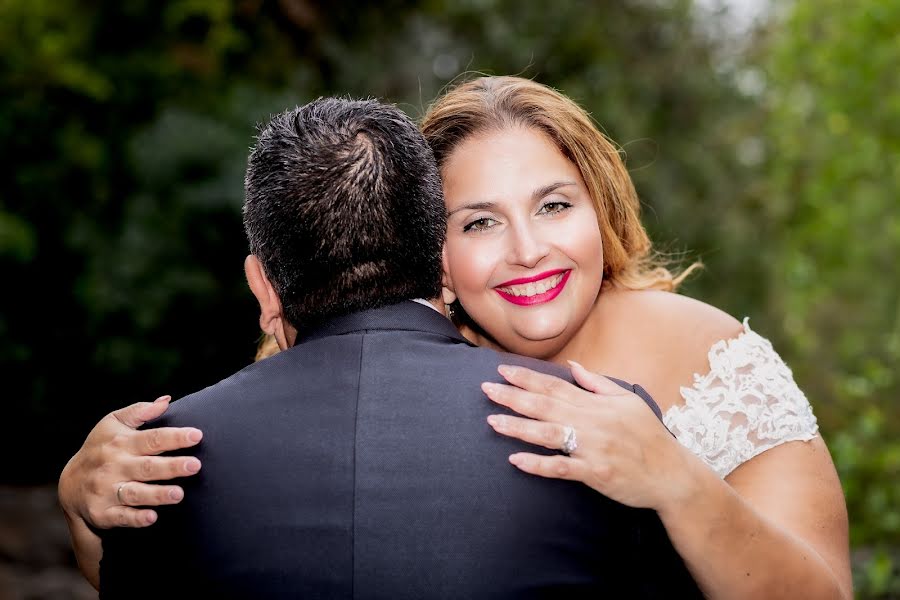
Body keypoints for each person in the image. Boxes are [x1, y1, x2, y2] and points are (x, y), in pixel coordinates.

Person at [60, 77, 851, 599]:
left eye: (554, 206)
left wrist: (677, 479)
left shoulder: (712, 358)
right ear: (426, 251)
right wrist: (84, 500)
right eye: (479, 222)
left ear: (600, 209)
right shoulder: (389, 374)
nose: (528, 250)